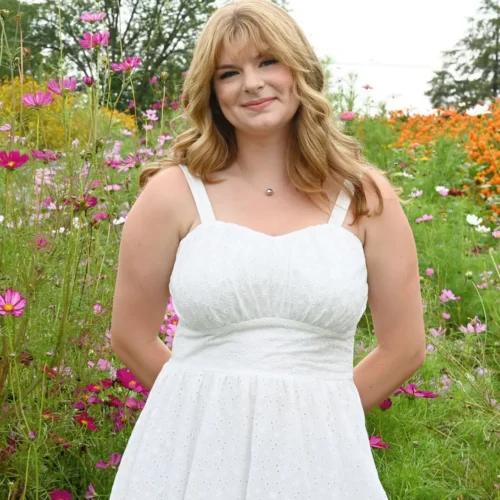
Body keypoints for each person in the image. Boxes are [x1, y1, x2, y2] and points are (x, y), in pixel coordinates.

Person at [109, 0, 427, 497]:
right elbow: (129, 334)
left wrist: (316, 419)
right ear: (212, 92)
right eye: (229, 73)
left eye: (267, 61)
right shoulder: (172, 193)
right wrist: (203, 412)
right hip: (187, 459)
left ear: (300, 69)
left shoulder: (366, 197)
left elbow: (404, 347)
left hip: (323, 461)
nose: (252, 83)